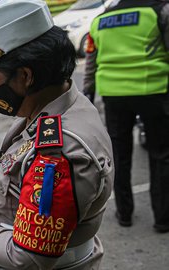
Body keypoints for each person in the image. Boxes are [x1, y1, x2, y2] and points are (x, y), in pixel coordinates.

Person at [0, 0, 115, 269]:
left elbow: (26, 256)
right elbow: (23, 175)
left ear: (25, 76)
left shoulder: (59, 153)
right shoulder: (59, 103)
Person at [83, 0, 169, 233]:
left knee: (119, 155)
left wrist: (88, 91)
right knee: (160, 155)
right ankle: (162, 218)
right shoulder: (159, 11)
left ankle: (124, 214)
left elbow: (91, 60)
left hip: (113, 94)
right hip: (153, 90)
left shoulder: (101, 19)